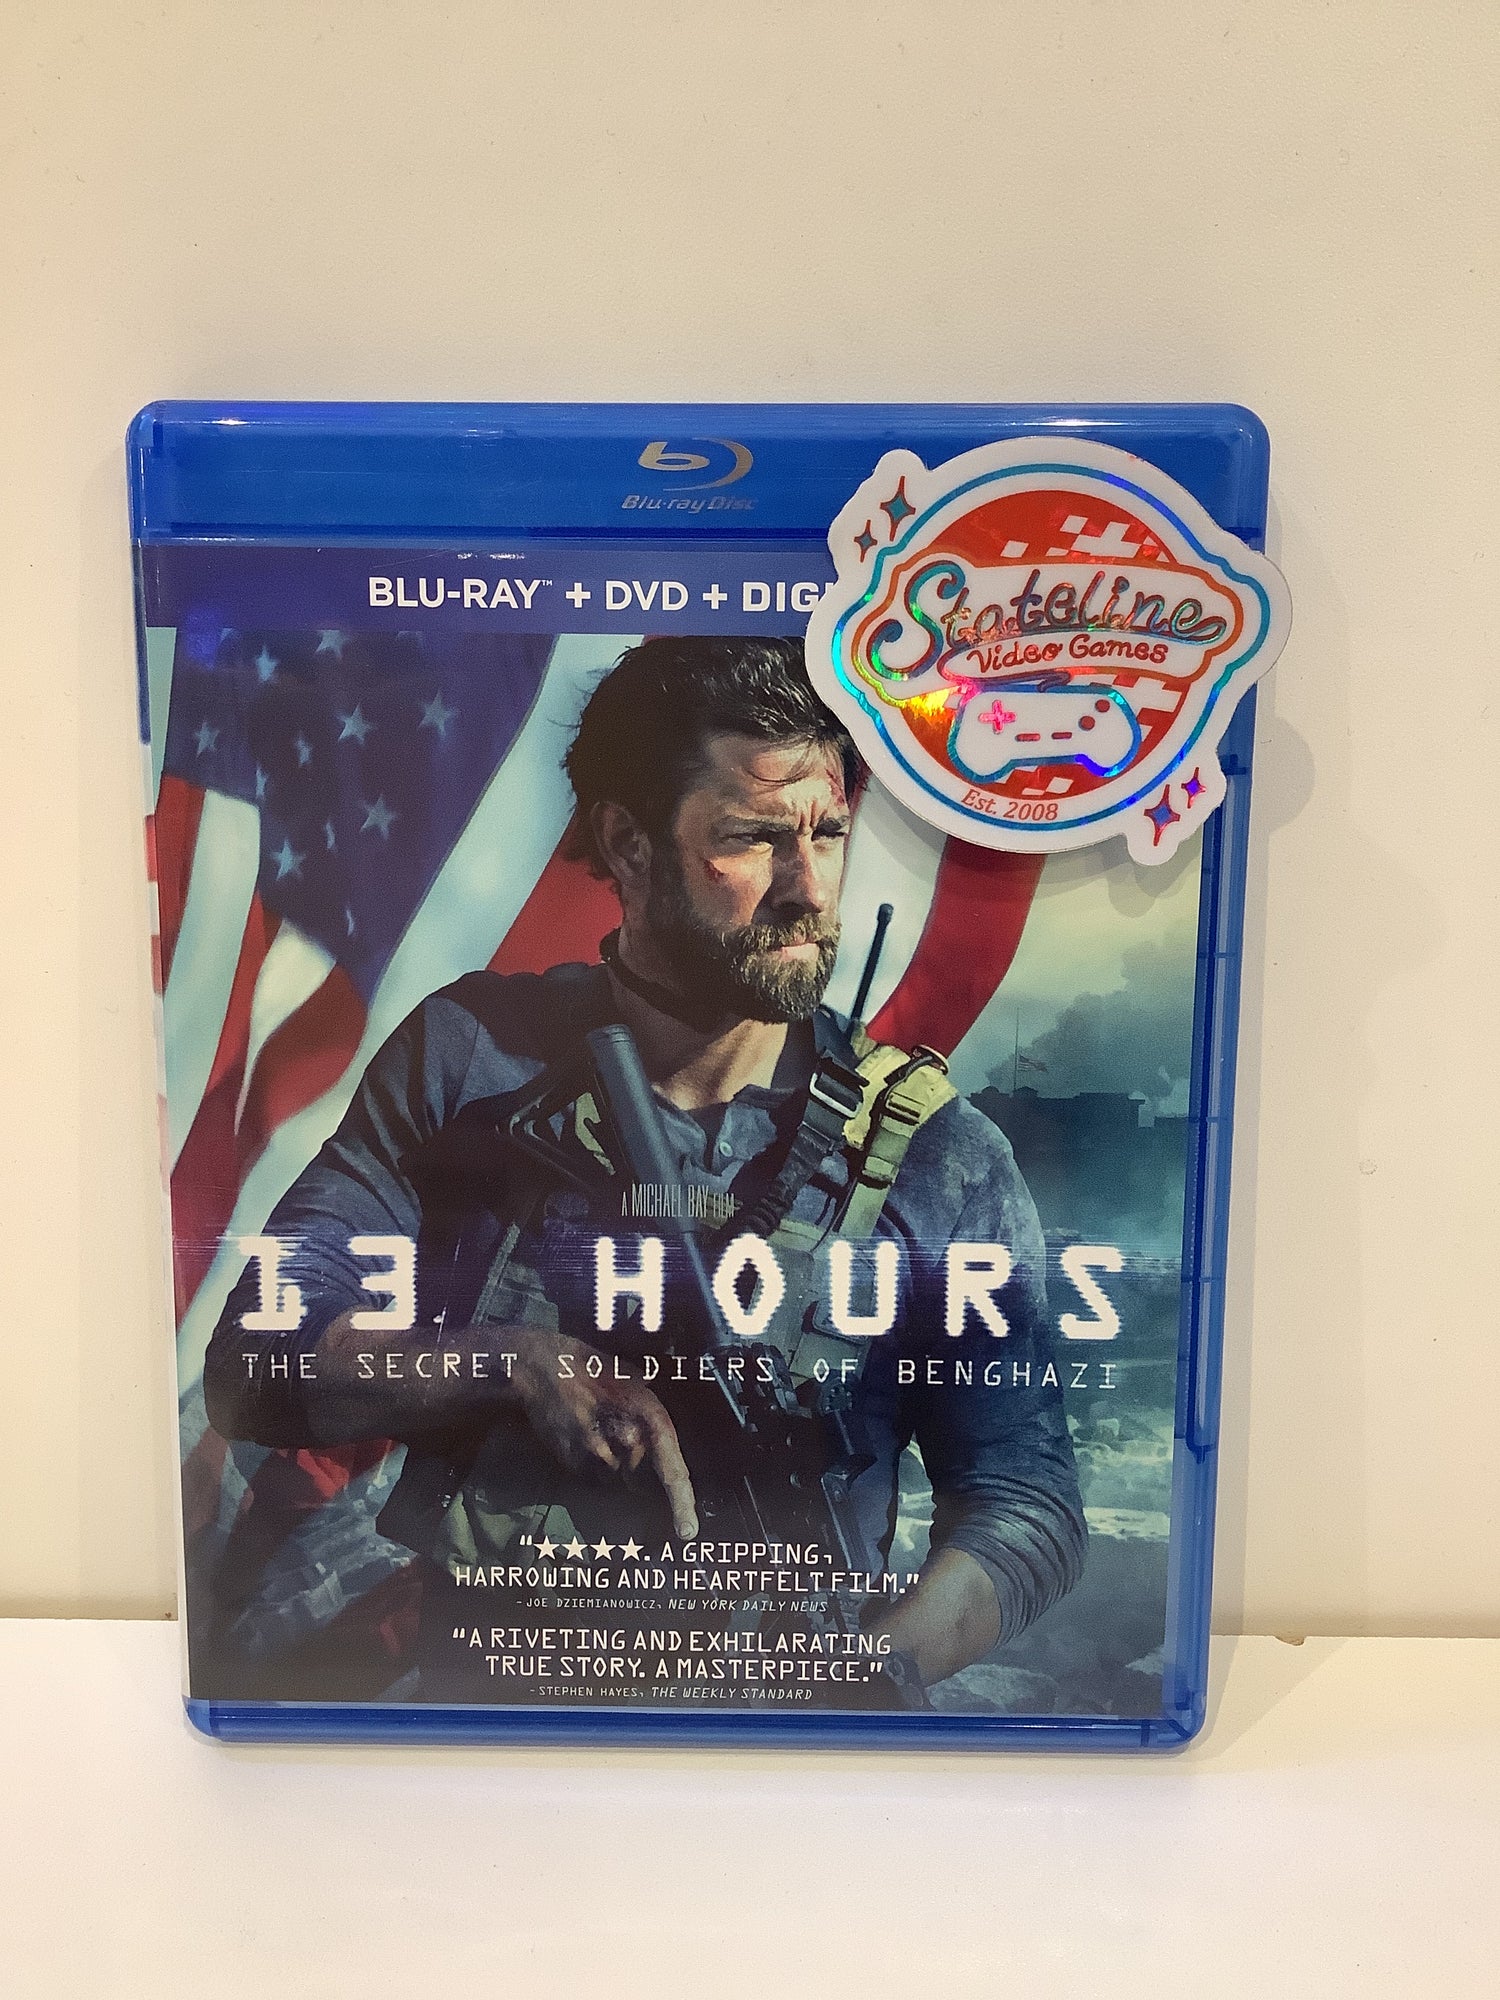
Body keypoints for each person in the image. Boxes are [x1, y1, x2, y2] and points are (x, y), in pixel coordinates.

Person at [205, 635, 1085, 1700]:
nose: (809, 888)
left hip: (787, 1720)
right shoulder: (472, 1062)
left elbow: (1024, 1508)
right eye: (753, 837)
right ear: (627, 843)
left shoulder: (937, 1155)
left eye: (829, 833)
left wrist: (859, 1676)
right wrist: (514, 1365)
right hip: (495, 1717)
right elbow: (253, 1361)